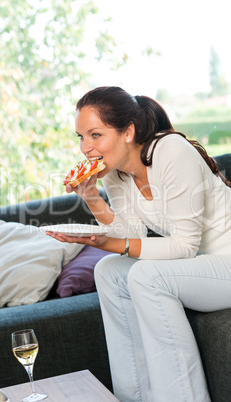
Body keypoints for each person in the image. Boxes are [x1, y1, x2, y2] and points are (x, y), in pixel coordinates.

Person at [46, 86, 231, 402]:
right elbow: (130, 231)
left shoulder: (170, 151)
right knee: (109, 271)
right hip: (202, 266)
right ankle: (135, 397)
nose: (85, 148)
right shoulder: (114, 172)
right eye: (80, 137)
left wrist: (108, 241)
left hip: (225, 260)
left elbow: (184, 246)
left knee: (146, 277)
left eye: (95, 135)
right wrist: (91, 197)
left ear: (127, 132)